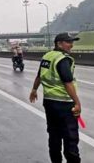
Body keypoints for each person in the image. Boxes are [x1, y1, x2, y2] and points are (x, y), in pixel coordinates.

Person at [29, 32, 82, 163]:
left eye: (72, 42)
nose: (71, 45)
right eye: (68, 42)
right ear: (59, 44)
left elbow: (39, 75)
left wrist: (34, 89)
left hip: (49, 103)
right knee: (70, 137)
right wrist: (77, 103)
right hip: (64, 104)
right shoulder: (62, 59)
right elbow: (67, 82)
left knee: (54, 135)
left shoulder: (47, 56)